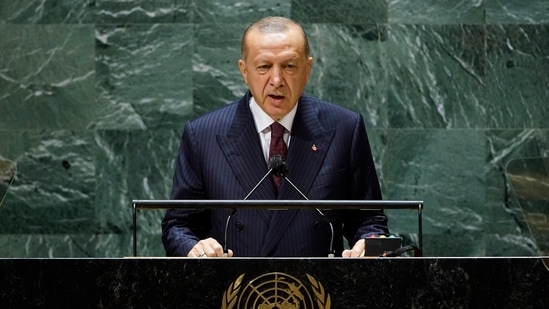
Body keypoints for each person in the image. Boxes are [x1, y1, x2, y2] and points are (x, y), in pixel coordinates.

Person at [161, 16, 389, 258]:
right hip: (236, 290)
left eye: (289, 66)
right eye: (264, 67)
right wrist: (195, 249)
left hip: (318, 291)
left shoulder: (344, 128)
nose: (277, 80)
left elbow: (370, 221)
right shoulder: (203, 135)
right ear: (244, 71)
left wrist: (371, 244)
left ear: (308, 69)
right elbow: (178, 226)